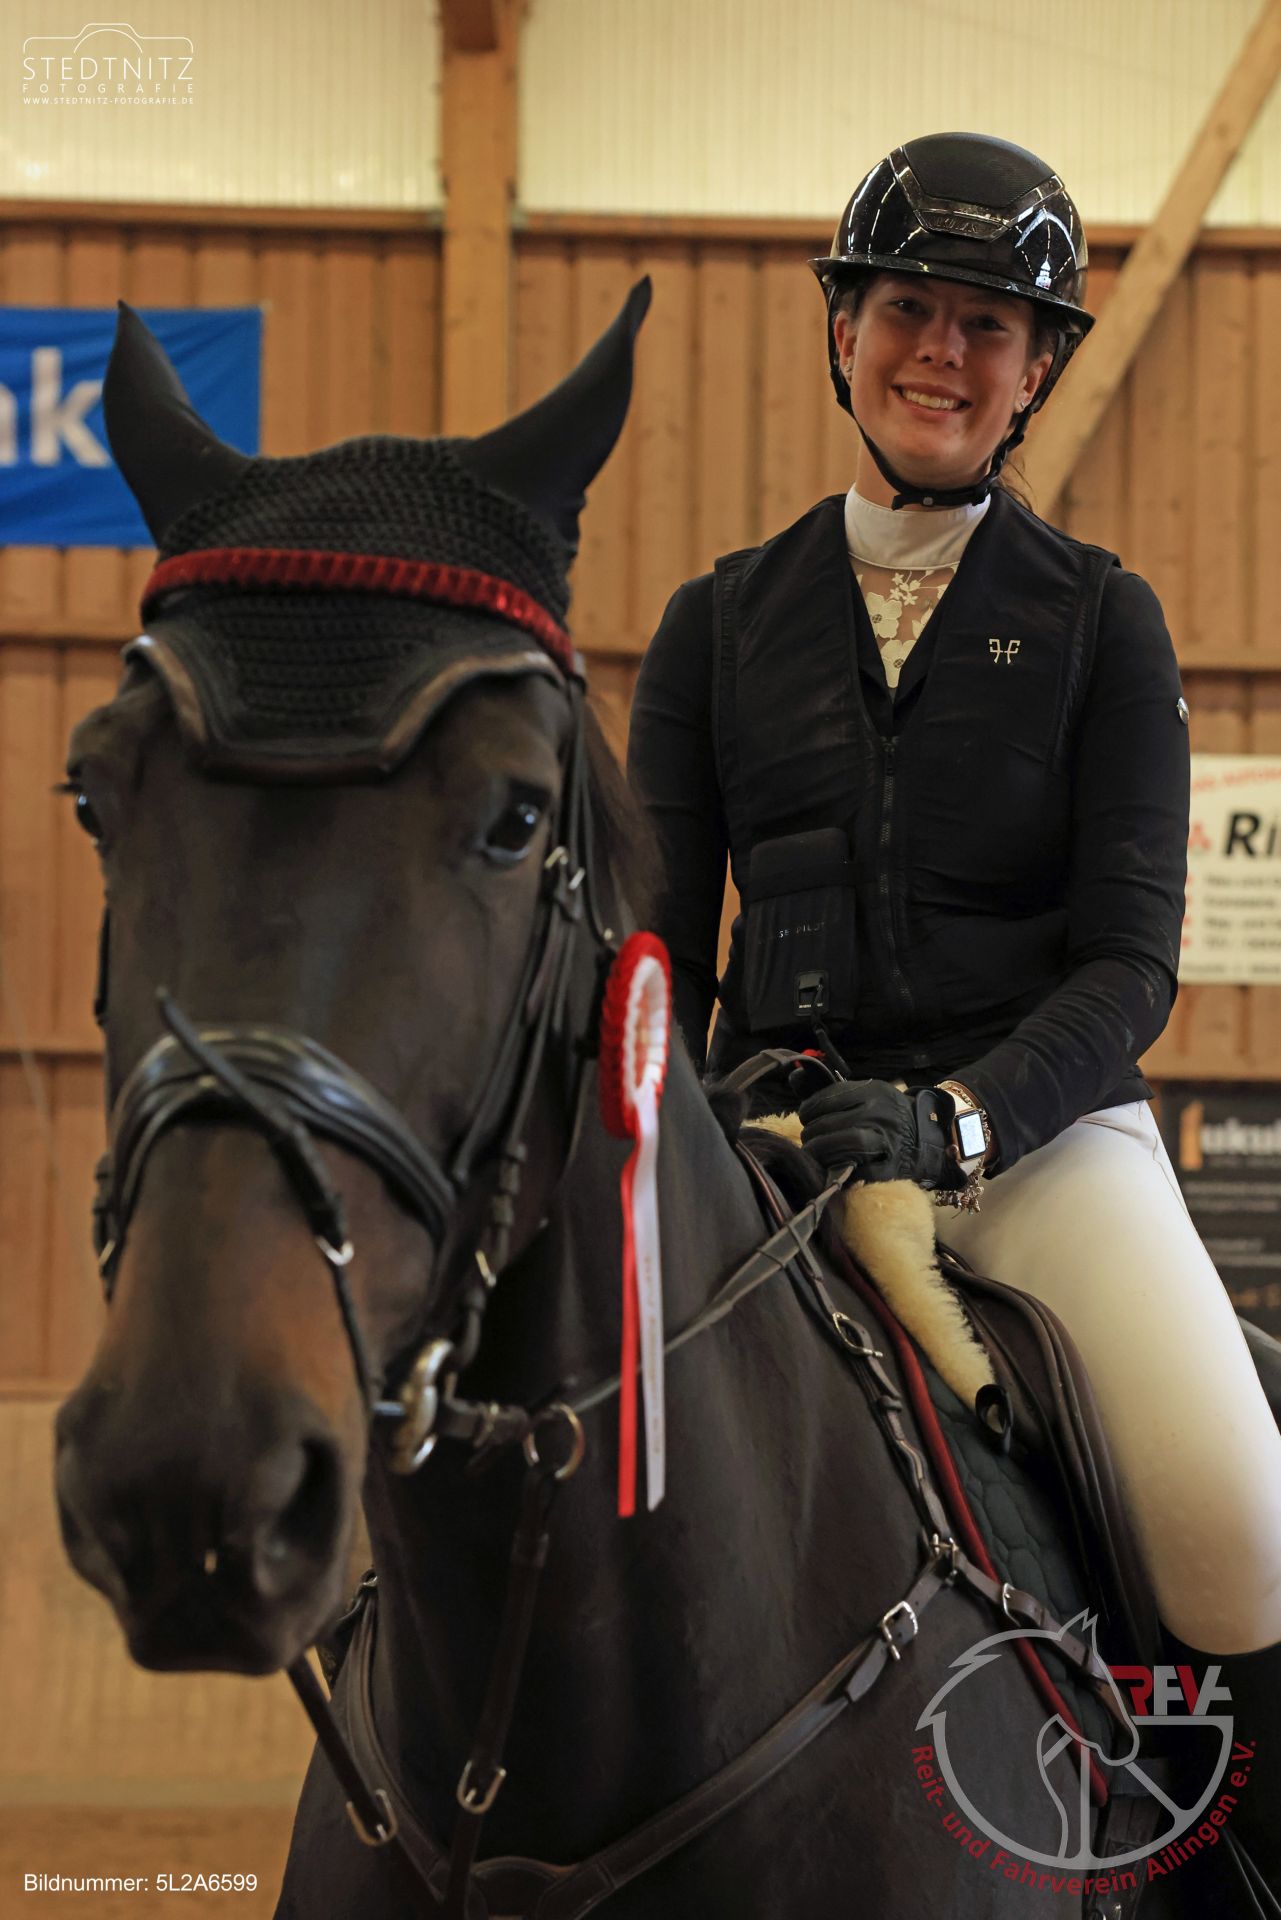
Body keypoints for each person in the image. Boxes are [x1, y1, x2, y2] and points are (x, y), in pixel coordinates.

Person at [627, 132, 1281, 1671]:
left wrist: (955, 1123)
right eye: (906, 308)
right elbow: (655, 948)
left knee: (1241, 1536)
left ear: (1034, 369)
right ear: (841, 329)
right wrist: (694, 1133)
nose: (940, 351)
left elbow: (1127, 965)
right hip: (773, 1156)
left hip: (1040, 1156)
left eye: (986, 325)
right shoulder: (714, 625)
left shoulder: (1101, 622)